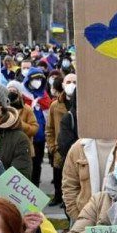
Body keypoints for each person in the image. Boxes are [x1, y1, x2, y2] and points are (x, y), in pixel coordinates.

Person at [45, 72, 76, 207]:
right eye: (68, 82)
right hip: (59, 148)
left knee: (73, 178)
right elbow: (50, 128)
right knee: (58, 176)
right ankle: (58, 196)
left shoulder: (85, 104)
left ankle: (68, 201)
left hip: (76, 147)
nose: (71, 85)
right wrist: (52, 147)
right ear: (63, 85)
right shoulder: (55, 105)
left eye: (74, 82)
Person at [22, 68, 51, 186]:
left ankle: (35, 189)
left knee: (37, 164)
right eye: (35, 79)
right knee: (25, 165)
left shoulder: (44, 95)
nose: (37, 81)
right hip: (25, 137)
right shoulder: (23, 95)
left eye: (40, 79)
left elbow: (49, 112)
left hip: (39, 137)